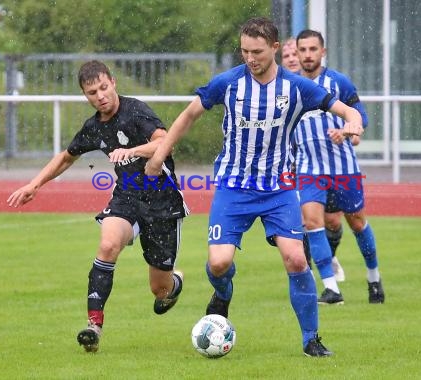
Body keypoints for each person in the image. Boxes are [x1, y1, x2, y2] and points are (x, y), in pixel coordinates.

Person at [145, 17, 363, 357]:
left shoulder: (296, 87)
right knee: (218, 264)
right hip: (233, 188)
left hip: (279, 190)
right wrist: (160, 155)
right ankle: (222, 293)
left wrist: (353, 122)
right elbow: (188, 115)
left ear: (275, 48)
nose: (250, 58)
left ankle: (311, 339)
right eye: (245, 51)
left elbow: (347, 109)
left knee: (295, 260)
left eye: (257, 51)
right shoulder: (229, 83)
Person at [7, 60, 189, 353]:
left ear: (113, 82)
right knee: (107, 246)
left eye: (103, 87)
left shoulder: (136, 111)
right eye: (92, 92)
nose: (100, 95)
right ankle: (94, 326)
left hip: (161, 201)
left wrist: (132, 151)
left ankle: (174, 285)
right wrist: (34, 185)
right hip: (127, 197)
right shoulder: (93, 127)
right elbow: (66, 157)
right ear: (85, 95)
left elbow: (164, 141)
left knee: (160, 290)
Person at [294, 29, 385, 304]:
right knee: (312, 223)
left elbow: (362, 119)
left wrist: (346, 131)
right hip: (308, 169)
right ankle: (331, 288)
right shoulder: (290, 86)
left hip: (344, 169)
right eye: (303, 49)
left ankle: (374, 278)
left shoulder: (338, 83)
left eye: (313, 49)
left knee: (356, 222)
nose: (308, 54)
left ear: (323, 52)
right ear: (296, 54)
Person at [281, 36, 347, 283]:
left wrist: (348, 133)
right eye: (286, 56)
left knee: (331, 220)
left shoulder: (315, 89)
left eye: (293, 55)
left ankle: (329, 255)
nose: (291, 59)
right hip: (292, 166)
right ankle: (307, 273)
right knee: (301, 220)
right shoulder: (279, 89)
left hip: (324, 164)